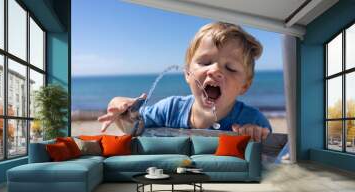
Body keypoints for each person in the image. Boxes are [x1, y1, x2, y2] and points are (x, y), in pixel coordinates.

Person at [98, 22, 271, 142]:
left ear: (245, 85)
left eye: (231, 68)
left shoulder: (253, 120)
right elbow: (134, 128)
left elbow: (270, 160)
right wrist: (121, 107)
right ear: (188, 73)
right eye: (205, 62)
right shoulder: (170, 110)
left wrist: (256, 137)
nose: (216, 71)